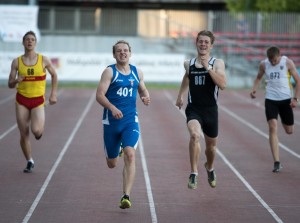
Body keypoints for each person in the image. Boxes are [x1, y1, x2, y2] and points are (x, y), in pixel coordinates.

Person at [96, 40, 150, 209]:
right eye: (119, 51)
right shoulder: (109, 72)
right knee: (111, 164)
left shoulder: (137, 72)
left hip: (130, 121)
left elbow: (143, 89)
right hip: (111, 122)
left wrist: (145, 97)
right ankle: (117, 150)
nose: (123, 53)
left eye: (125, 50)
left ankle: (126, 195)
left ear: (130, 53)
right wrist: (111, 108)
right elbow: (99, 95)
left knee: (131, 154)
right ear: (114, 54)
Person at [176, 30, 226, 189]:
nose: (203, 44)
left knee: (211, 148)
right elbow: (187, 76)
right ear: (196, 43)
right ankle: (193, 173)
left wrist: (208, 68)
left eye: (206, 42)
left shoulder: (217, 63)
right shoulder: (188, 64)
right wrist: (180, 95)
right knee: (195, 136)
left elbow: (223, 85)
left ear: (211, 45)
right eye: (200, 41)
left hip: (211, 111)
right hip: (194, 110)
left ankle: (209, 167)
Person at [8, 31, 58, 173]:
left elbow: (54, 75)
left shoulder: (43, 60)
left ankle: (38, 132)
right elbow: (10, 84)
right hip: (22, 100)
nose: (30, 42)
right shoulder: (16, 62)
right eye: (27, 39)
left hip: (37, 101)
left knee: (36, 131)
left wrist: (53, 94)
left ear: (35, 43)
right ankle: (29, 160)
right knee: (23, 133)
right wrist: (16, 80)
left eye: (32, 40)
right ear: (23, 42)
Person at [250, 46, 300, 173]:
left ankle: (286, 121)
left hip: (285, 100)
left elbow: (298, 81)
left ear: (279, 56)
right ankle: (277, 162)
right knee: (272, 126)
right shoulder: (264, 64)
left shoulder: (287, 62)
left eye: (275, 60)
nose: (273, 63)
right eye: (270, 60)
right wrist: (254, 89)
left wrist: (295, 99)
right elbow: (258, 77)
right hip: (270, 99)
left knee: (289, 130)